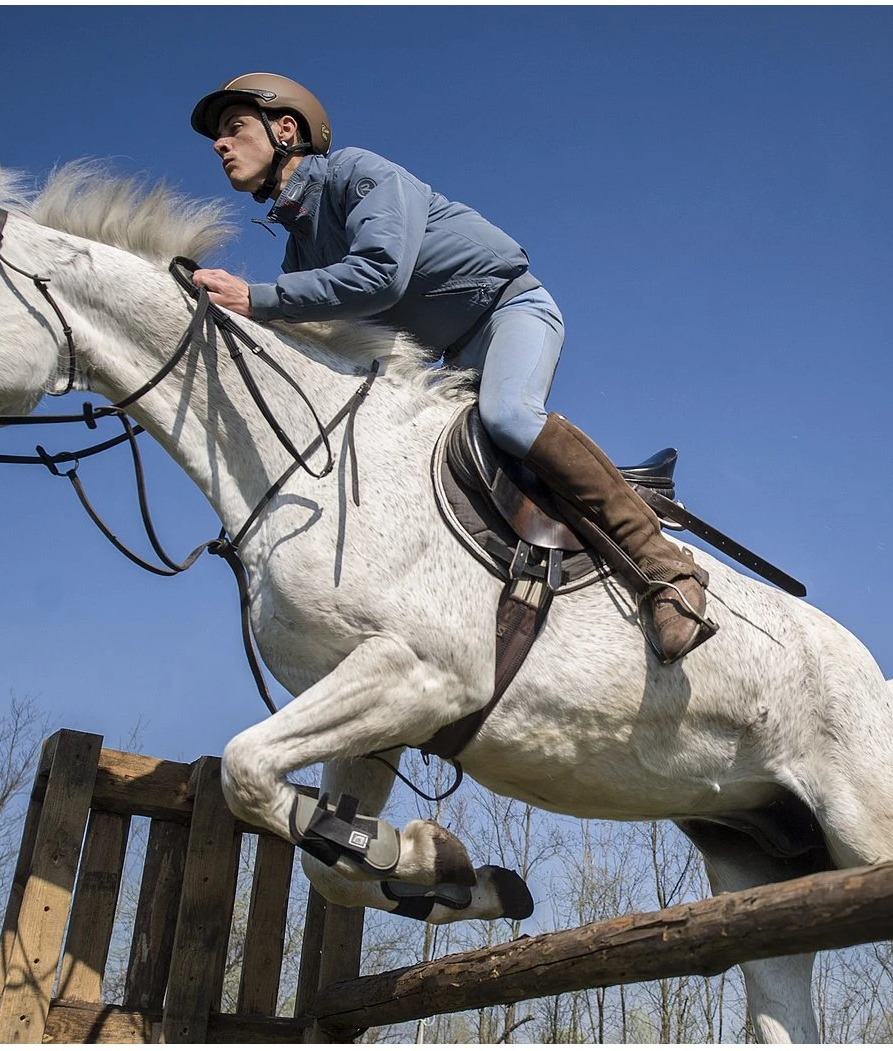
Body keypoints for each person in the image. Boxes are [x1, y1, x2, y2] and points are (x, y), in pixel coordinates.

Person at [189, 73, 715, 663]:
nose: (220, 145)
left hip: (508, 311)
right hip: (450, 358)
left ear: (285, 130)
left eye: (234, 129)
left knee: (510, 417)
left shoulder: (358, 172)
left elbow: (379, 275)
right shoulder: (299, 248)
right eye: (219, 137)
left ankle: (666, 570)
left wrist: (253, 297)